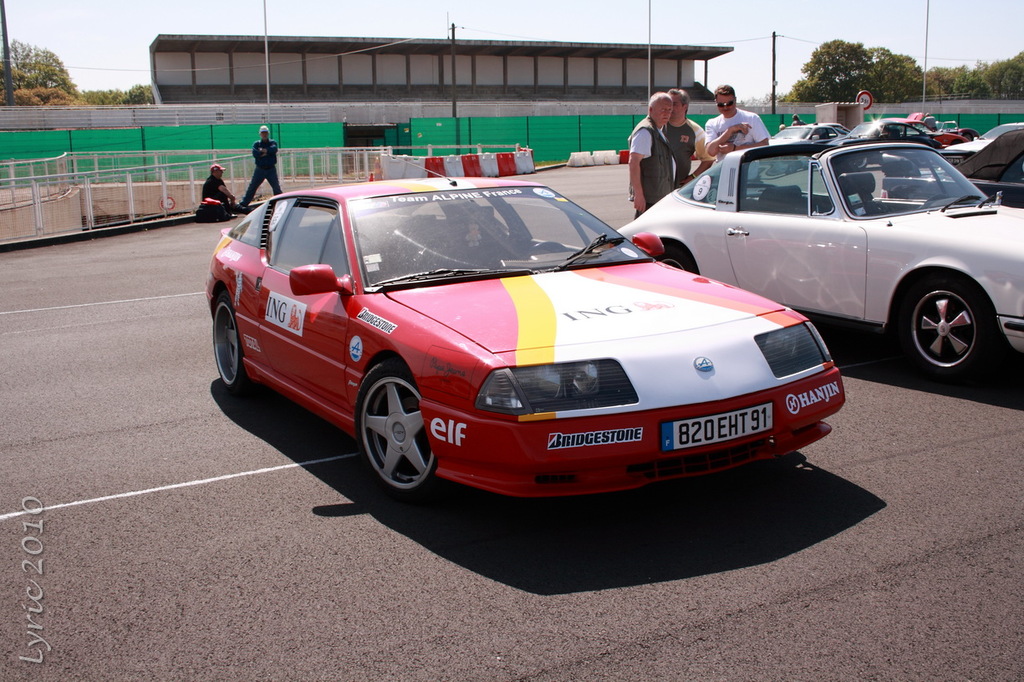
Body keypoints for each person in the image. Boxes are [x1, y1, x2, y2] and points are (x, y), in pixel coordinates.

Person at [628, 92, 675, 216]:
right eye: (663, 109)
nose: (667, 113)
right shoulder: (645, 132)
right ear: (650, 109)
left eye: (669, 110)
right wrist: (638, 195)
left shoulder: (658, 130)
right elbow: (633, 162)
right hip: (650, 200)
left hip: (659, 197)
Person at [704, 85, 770, 163]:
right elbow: (711, 151)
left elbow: (764, 144)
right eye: (721, 105)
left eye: (729, 103)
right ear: (716, 102)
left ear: (735, 100)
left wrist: (735, 148)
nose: (725, 107)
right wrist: (730, 131)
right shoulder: (712, 123)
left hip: (747, 167)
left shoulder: (752, 118)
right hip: (724, 168)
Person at [665, 88, 714, 187]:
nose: (670, 107)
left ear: (685, 106)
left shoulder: (696, 131)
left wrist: (693, 177)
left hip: (678, 188)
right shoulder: (657, 126)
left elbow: (708, 159)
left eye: (674, 104)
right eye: (668, 103)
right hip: (654, 188)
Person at [237, 124, 282, 211]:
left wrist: (264, 151)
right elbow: (255, 153)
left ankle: (280, 202)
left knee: (276, 187)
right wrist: (267, 152)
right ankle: (243, 204)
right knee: (252, 187)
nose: (264, 134)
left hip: (271, 169)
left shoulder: (272, 142)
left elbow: (274, 149)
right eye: (263, 133)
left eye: (265, 133)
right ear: (260, 134)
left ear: (268, 133)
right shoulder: (256, 144)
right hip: (260, 169)